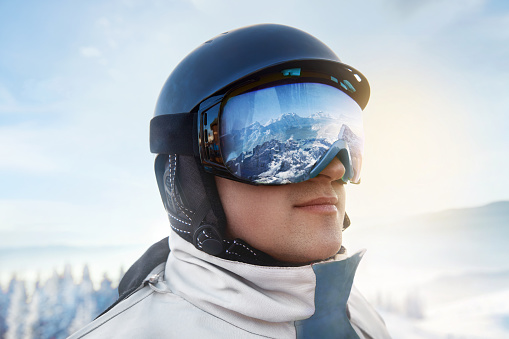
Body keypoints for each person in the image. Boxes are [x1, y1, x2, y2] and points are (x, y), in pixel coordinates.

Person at [68, 23, 391, 339]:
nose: (335, 168)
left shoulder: (355, 308)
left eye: (347, 143)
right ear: (187, 184)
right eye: (284, 143)